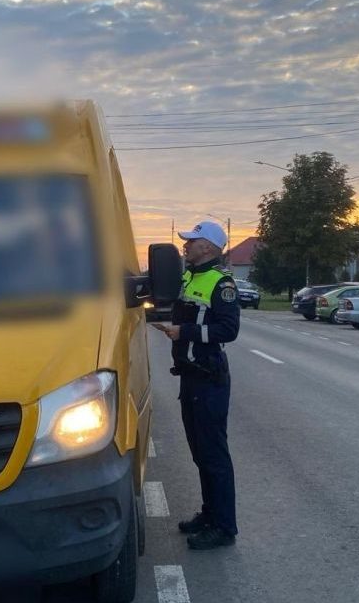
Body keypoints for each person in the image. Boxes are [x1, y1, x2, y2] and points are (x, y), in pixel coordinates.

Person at [152, 220, 240, 550]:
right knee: (200, 453)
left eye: (192, 242)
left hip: (209, 378)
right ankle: (209, 513)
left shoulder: (221, 283)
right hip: (190, 376)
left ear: (208, 247)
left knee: (214, 455)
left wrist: (183, 333)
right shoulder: (190, 276)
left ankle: (224, 526)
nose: (186, 246)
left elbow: (229, 330)